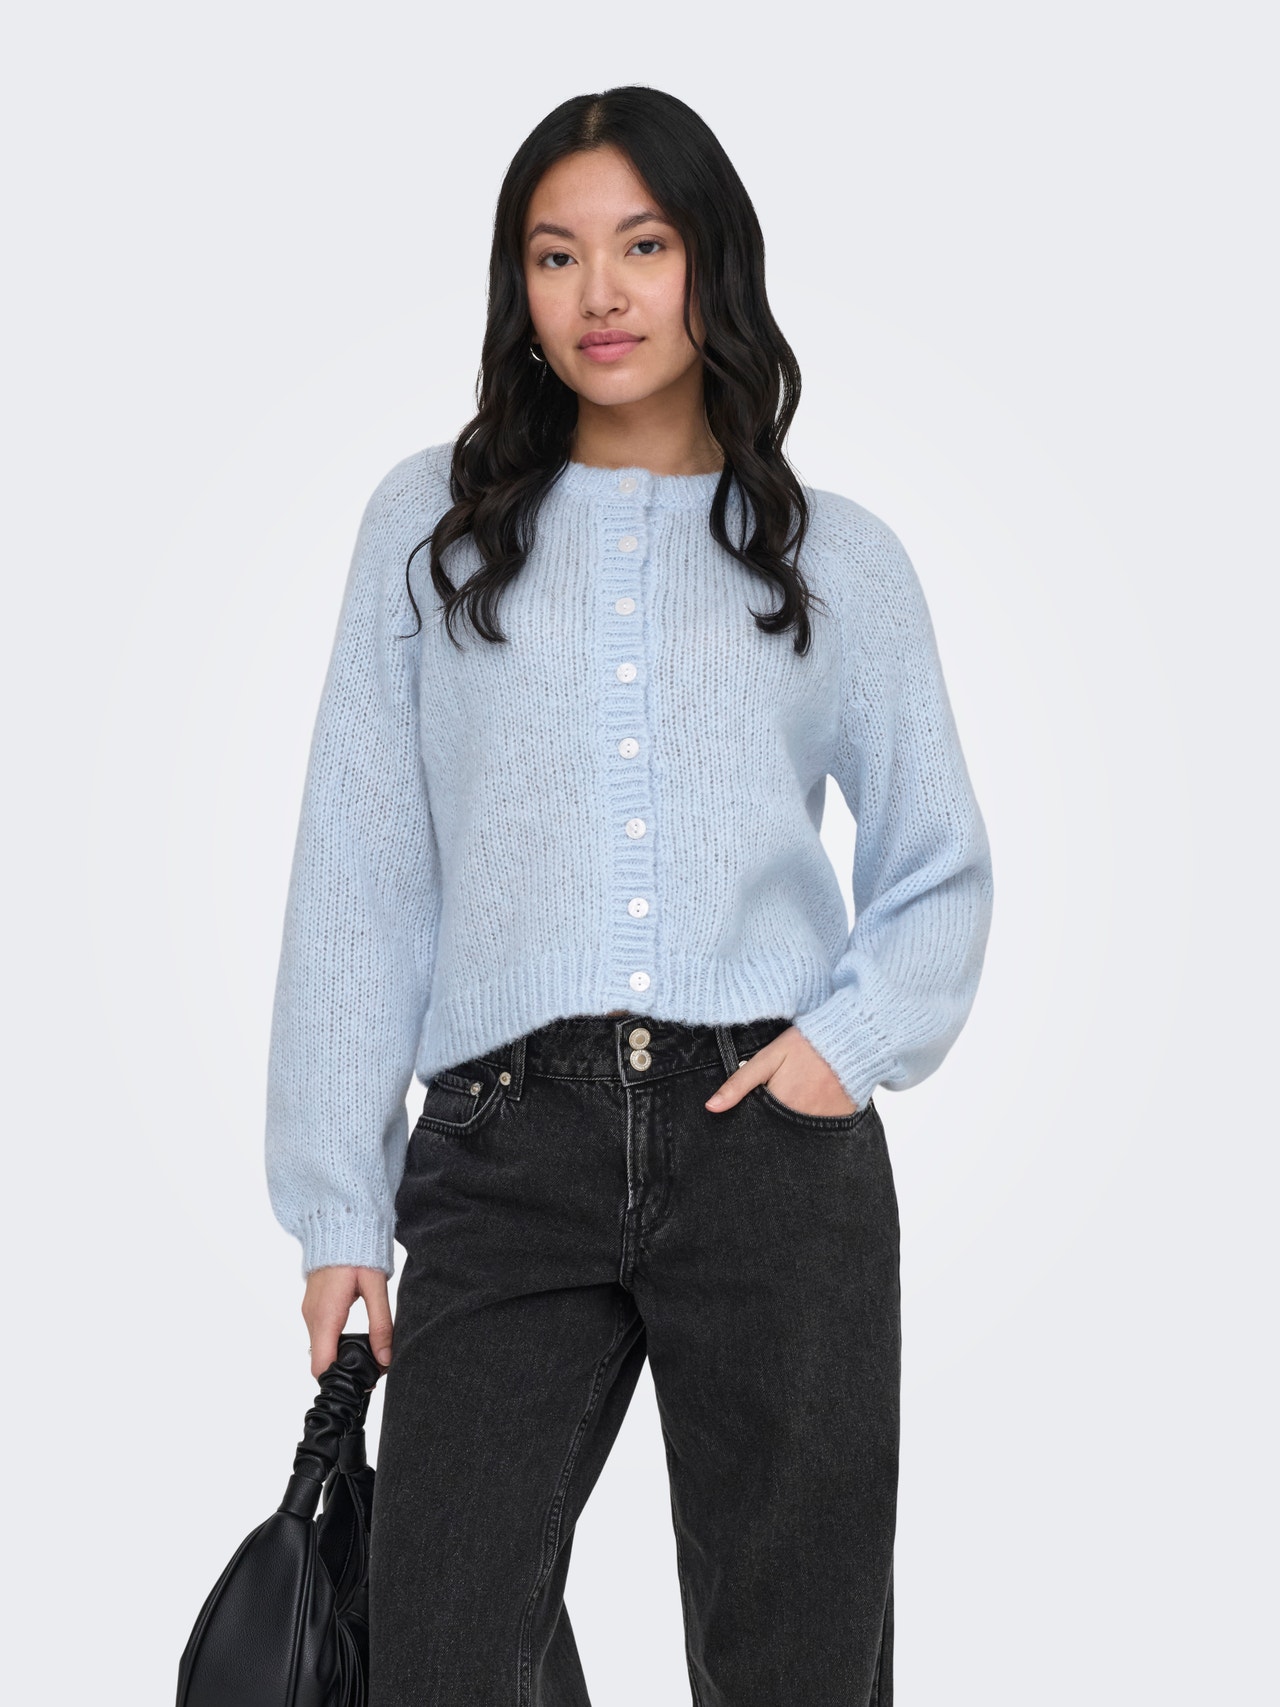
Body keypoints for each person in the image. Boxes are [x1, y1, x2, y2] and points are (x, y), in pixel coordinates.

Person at [264, 84, 994, 1707]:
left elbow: (938, 867)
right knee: (443, 1650)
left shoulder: (839, 559)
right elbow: (362, 871)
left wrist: (837, 1053)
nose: (599, 292)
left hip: (771, 1148)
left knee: (799, 1664)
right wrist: (338, 1211)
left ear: (710, 262)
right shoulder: (430, 532)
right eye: (555, 255)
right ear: (517, 289)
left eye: (642, 246)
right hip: (502, 1147)